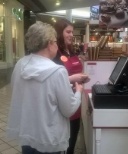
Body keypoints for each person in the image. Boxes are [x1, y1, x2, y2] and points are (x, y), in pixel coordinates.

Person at [7, 21, 83, 154]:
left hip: (28, 135)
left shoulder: (20, 64)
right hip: (49, 139)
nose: (56, 44)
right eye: (54, 41)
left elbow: (20, 91)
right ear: (49, 44)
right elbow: (69, 109)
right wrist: (78, 92)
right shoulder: (57, 71)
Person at [53, 18, 90, 154]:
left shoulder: (71, 51)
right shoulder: (54, 54)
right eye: (68, 31)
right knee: (63, 145)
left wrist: (82, 77)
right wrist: (72, 79)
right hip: (63, 105)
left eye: (72, 32)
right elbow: (52, 81)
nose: (71, 35)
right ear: (59, 33)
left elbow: (74, 72)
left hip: (76, 101)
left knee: (72, 142)